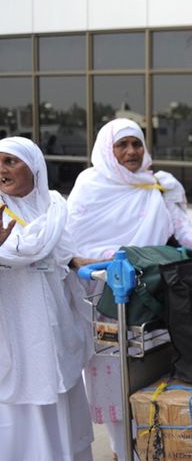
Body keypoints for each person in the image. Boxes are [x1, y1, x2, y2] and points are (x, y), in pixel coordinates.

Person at [66, 118, 192, 461]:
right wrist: (108, 261)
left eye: (136, 144)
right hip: (106, 298)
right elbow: (74, 245)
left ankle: (152, 442)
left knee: (153, 368)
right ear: (106, 150)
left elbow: (180, 227)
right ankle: (121, 450)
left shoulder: (159, 184)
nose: (131, 152)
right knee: (113, 378)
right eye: (121, 145)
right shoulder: (90, 185)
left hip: (153, 292)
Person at [0, 137, 94, 460]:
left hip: (54, 331)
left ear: (35, 167)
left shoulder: (55, 207)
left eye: (10, 162)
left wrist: (73, 261)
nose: (2, 170)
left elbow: (64, 253)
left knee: (59, 403)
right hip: (15, 334)